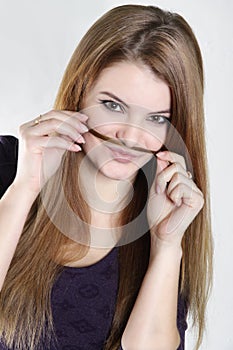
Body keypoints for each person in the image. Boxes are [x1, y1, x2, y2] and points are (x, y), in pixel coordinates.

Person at [0, 4, 213, 350]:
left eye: (157, 119)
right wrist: (24, 189)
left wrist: (167, 246)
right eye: (113, 105)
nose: (129, 136)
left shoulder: (163, 232)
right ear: (80, 92)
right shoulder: (9, 165)